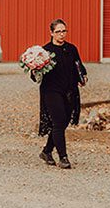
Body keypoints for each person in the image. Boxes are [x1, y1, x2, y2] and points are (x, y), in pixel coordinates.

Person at [37, 18, 87, 169]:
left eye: (64, 31)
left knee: (63, 122)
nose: (61, 34)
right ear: (51, 33)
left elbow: (78, 65)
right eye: (58, 31)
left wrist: (82, 76)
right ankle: (63, 157)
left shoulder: (71, 48)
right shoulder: (45, 51)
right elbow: (36, 76)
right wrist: (34, 70)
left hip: (70, 90)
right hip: (51, 90)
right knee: (58, 121)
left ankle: (46, 151)